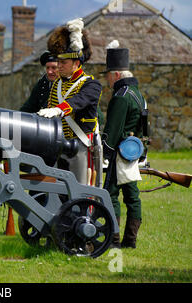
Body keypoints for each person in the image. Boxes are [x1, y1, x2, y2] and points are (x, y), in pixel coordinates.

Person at [37, 18, 102, 186]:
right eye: (58, 62)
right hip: (59, 145)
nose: (58, 66)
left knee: (80, 189)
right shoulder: (57, 84)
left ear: (76, 63)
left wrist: (59, 110)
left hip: (80, 146)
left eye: (63, 62)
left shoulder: (91, 84)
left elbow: (78, 101)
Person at [102, 42, 146, 249]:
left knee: (110, 195)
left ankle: (113, 239)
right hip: (132, 152)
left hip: (118, 154)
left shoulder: (121, 97)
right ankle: (131, 240)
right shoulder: (138, 95)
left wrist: (105, 153)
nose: (107, 79)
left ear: (117, 75)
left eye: (109, 75)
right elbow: (144, 129)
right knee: (132, 196)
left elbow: (112, 131)